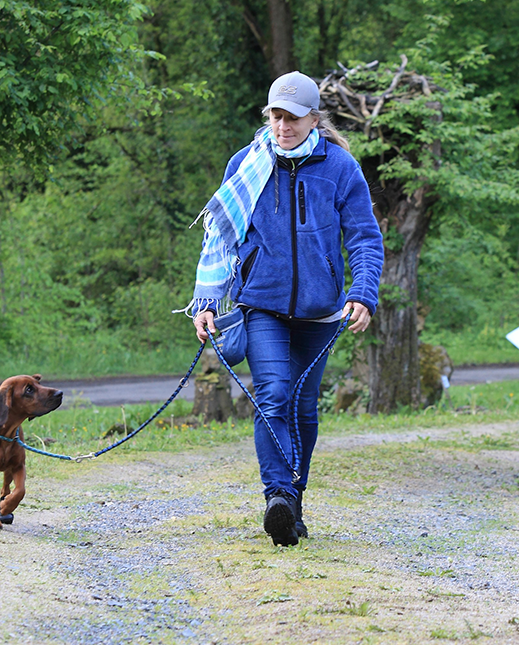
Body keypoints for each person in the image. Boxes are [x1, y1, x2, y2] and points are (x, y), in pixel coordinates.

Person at [182, 71, 385, 546]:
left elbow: (364, 236)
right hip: (262, 305)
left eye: (292, 117)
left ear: (314, 118)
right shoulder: (246, 163)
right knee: (272, 394)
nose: (282, 125)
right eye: (275, 115)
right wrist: (208, 300)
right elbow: (220, 235)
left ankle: (294, 498)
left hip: (322, 312)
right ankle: (278, 497)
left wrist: (363, 292)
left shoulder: (339, 167)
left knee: (303, 408)